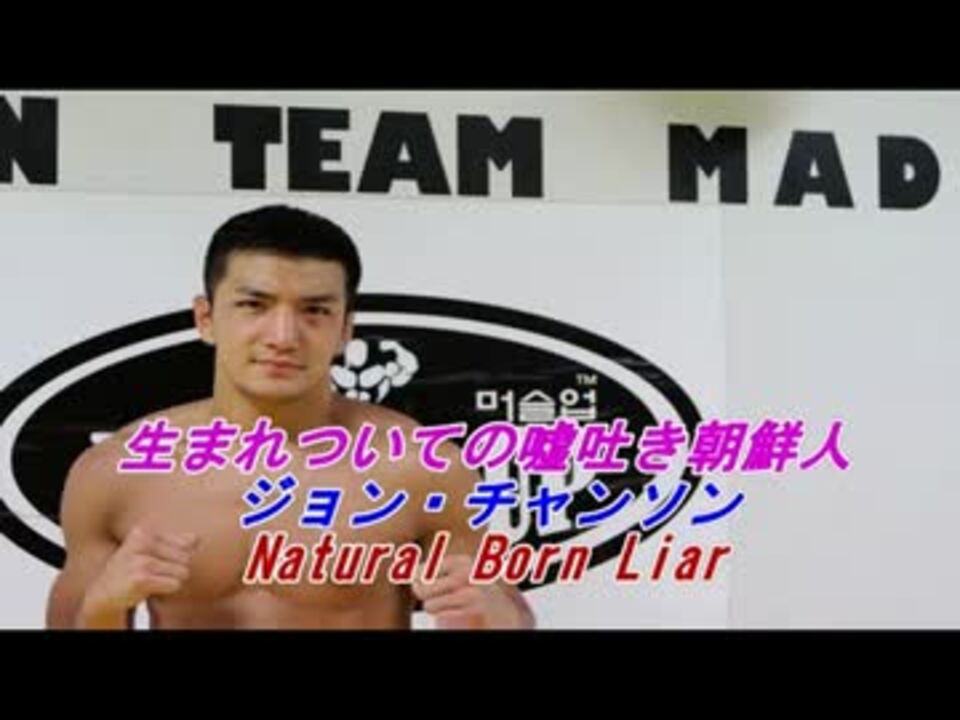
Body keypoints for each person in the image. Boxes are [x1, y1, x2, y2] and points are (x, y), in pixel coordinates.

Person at [45, 204, 535, 630]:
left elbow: (504, 609)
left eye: (314, 311)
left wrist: (492, 615)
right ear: (206, 319)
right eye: (253, 305)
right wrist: (104, 607)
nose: (283, 336)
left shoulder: (422, 468)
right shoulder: (116, 473)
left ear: (345, 330)